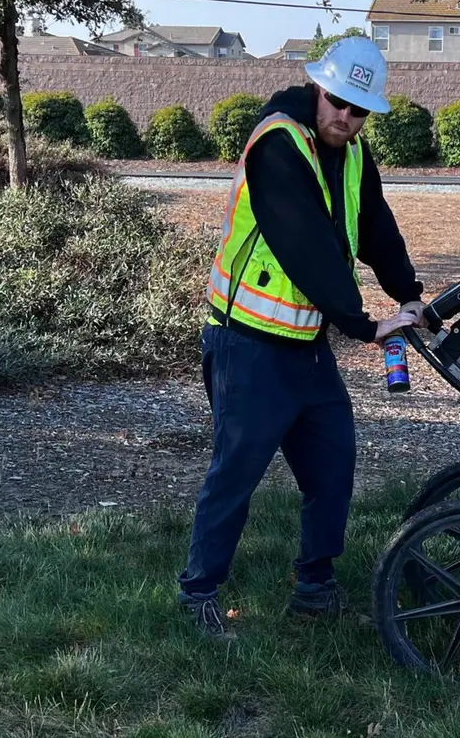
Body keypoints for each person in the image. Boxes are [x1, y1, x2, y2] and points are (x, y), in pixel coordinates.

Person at [178, 36, 425, 640]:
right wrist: (363, 324)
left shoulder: (354, 152)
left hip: (307, 345)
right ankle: (198, 594)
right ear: (319, 88)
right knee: (236, 472)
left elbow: (375, 225)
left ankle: (315, 588)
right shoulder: (278, 144)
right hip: (248, 343)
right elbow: (305, 244)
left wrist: (409, 294)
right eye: (338, 102)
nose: (347, 117)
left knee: (332, 466)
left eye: (360, 110)